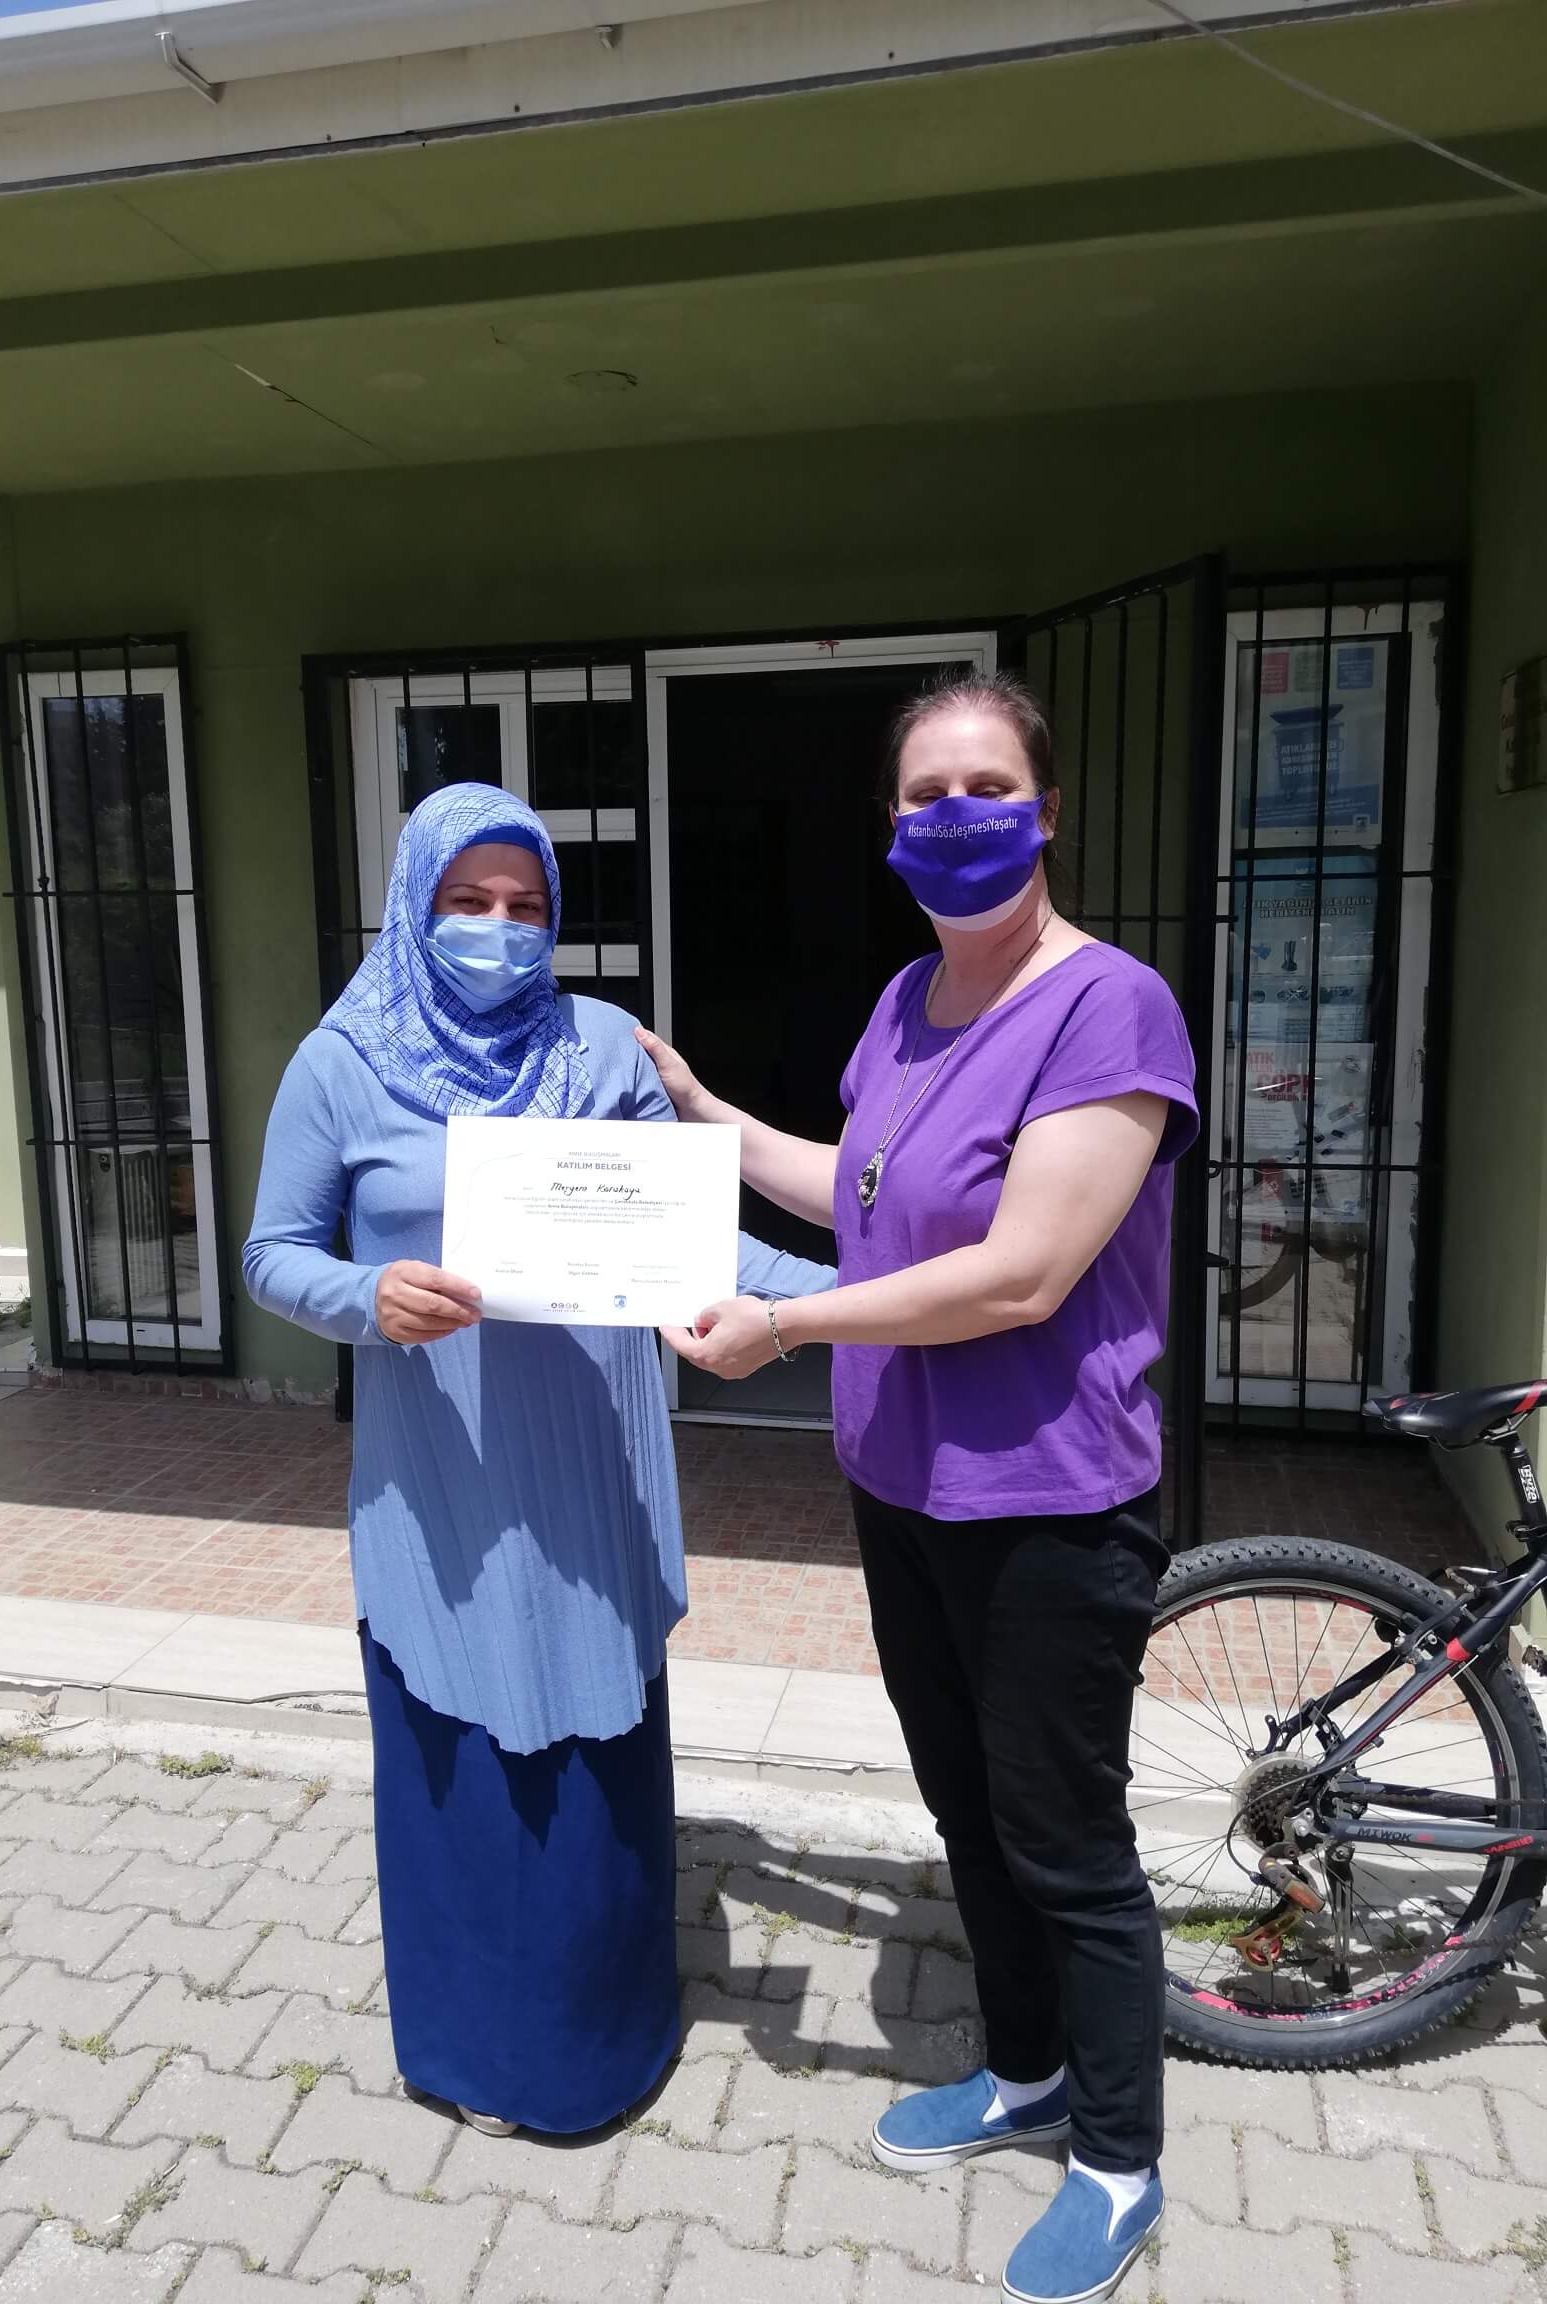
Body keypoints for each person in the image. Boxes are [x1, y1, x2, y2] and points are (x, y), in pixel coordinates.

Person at [639, 672, 1197, 2304]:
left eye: (987, 788)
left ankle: (1118, 2160)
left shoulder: (1109, 1009)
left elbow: (1021, 1273)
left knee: (1066, 1840)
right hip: (902, 1490)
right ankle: (1025, 2072)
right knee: (970, 1813)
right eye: (926, 795)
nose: (957, 819)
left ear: (1046, 810)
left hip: (1049, 1507)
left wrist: (790, 1326)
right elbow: (869, 1190)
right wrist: (712, 1119)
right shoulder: (904, 1001)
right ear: (891, 825)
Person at [243, 781, 829, 2141]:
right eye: (469, 901)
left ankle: (599, 2053)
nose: (500, 928)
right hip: (442, 1484)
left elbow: (693, 1235)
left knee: (593, 1775)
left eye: (525, 906)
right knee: (455, 1772)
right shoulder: (340, 1065)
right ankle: (468, 2056)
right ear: (417, 902)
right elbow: (274, 1253)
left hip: (583, 1475)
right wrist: (366, 1296)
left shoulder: (600, 1048)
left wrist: (856, 1301)